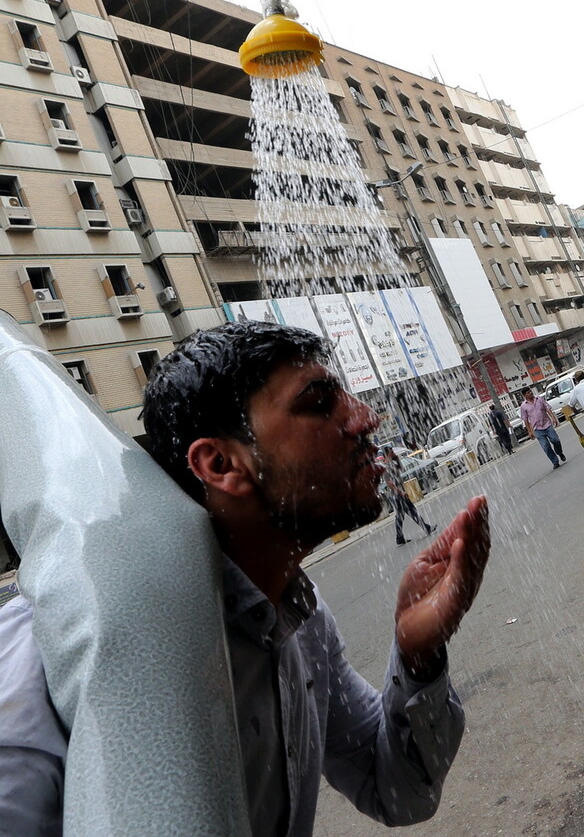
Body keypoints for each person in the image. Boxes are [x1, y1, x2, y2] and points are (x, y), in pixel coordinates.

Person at [0, 321, 490, 837]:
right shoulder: (41, 667)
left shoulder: (303, 620)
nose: (367, 418)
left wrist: (418, 656)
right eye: (320, 403)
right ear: (220, 464)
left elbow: (396, 788)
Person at [382, 445, 437, 544]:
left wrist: (397, 459)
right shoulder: (385, 467)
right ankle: (426, 528)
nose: (393, 453)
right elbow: (389, 483)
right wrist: (400, 492)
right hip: (397, 495)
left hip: (399, 494)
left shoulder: (392, 464)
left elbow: (401, 469)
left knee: (400, 516)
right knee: (412, 511)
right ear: (387, 453)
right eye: (392, 452)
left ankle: (399, 537)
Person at [520, 386, 566, 470]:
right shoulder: (523, 406)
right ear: (524, 396)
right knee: (546, 446)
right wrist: (529, 431)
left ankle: (559, 452)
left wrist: (553, 418)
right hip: (537, 429)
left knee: (555, 440)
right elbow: (525, 420)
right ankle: (555, 462)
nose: (530, 393)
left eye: (530, 391)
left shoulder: (539, 399)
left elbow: (547, 408)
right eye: (528, 392)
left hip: (547, 424)